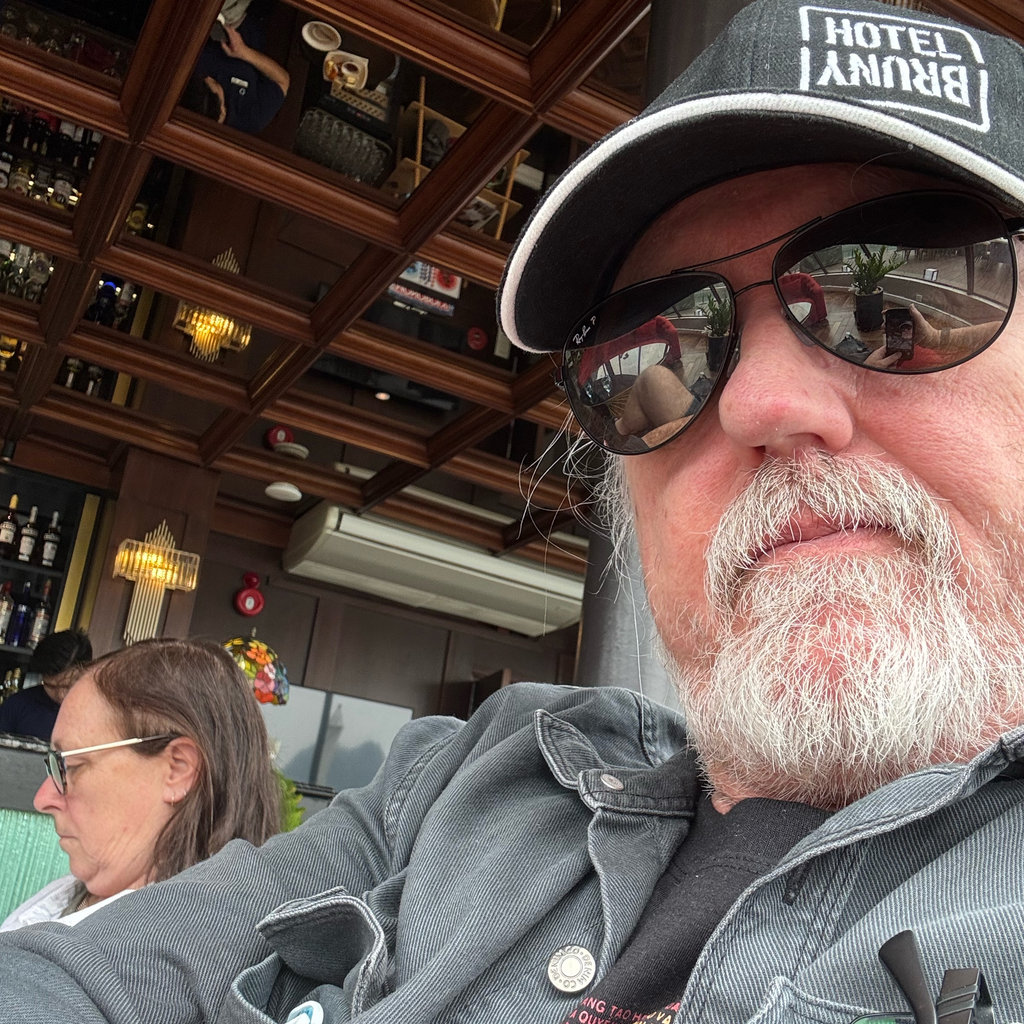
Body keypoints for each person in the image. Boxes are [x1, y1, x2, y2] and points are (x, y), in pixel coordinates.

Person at [2, 0, 1024, 1020]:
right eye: (656, 356)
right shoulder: (465, 782)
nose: (758, 403)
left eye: (897, 299)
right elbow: (89, 978)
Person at [0, 638, 280, 931]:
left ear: (178, 769)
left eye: (72, 766)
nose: (43, 799)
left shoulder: (165, 949)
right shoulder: (70, 895)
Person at [182, 9, 289, 134]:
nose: (208, 78)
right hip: (252, 21)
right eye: (214, 83)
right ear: (223, 111)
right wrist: (244, 52)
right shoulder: (249, 120)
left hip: (211, 18)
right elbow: (282, 80)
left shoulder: (191, 84)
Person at [0, 628, 93, 741]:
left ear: (86, 671)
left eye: (68, 686)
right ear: (43, 676)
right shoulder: (17, 706)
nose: (61, 695)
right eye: (52, 687)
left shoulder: (100, 713)